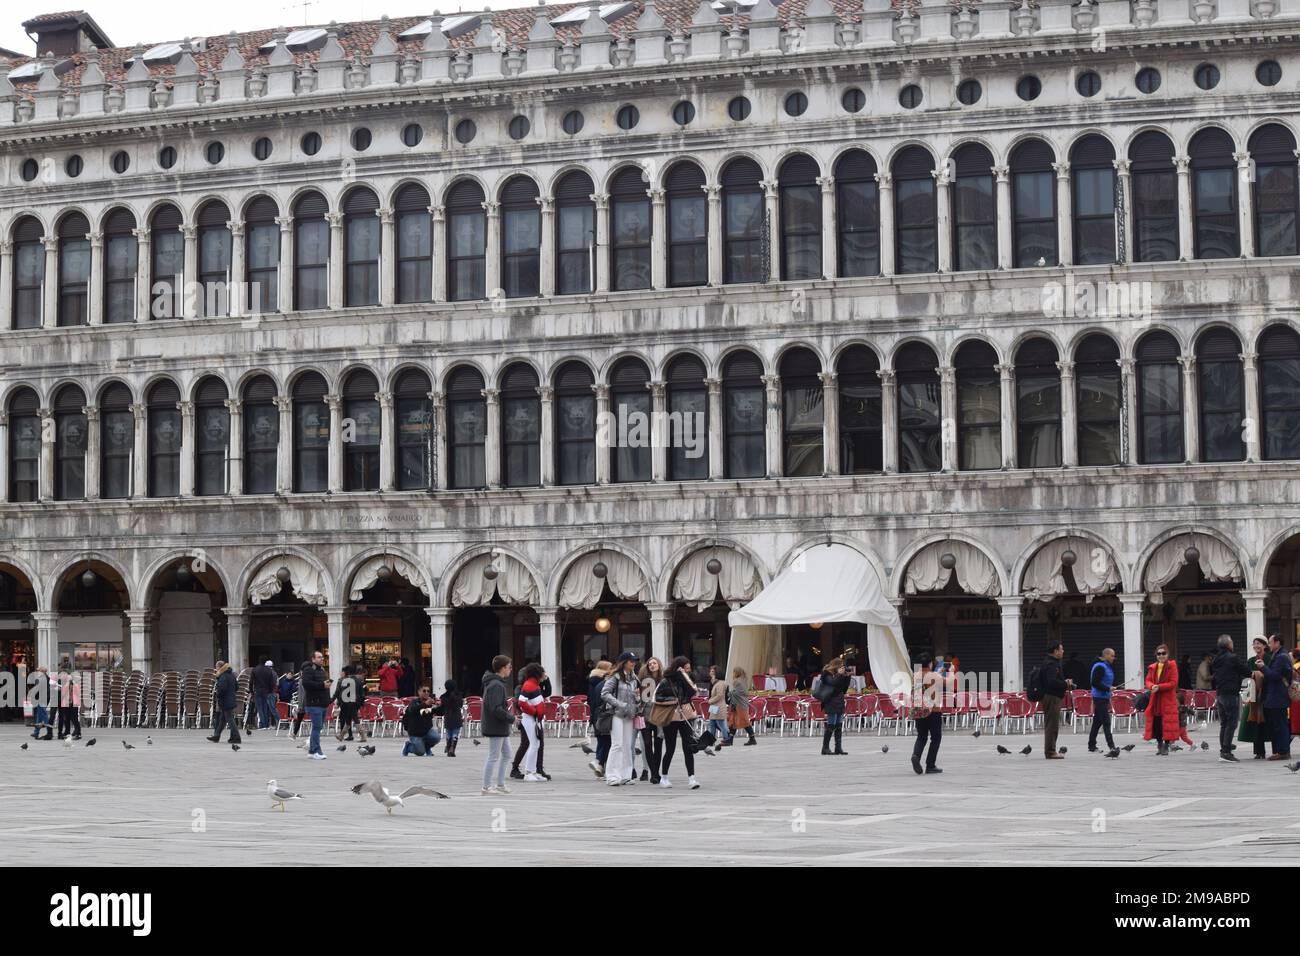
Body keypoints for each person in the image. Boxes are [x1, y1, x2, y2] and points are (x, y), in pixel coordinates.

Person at [656, 656, 701, 790]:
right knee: (670, 748)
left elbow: (693, 691)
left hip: (686, 715)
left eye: (688, 669)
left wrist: (684, 676)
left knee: (688, 746)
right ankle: (664, 777)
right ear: (678, 667)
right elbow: (657, 697)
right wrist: (672, 700)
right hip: (671, 716)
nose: (688, 671)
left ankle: (691, 778)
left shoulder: (687, 679)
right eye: (685, 668)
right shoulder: (666, 681)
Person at [602, 651, 641, 786]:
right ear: (624, 662)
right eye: (631, 661)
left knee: (627, 746)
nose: (633, 663)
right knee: (617, 744)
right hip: (616, 714)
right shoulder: (615, 677)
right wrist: (620, 704)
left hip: (629, 715)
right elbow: (605, 693)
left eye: (634, 661)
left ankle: (626, 775)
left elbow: (636, 698)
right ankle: (612, 776)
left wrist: (637, 698)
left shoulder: (634, 678)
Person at [1210, 634, 1252, 761]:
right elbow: (1246, 671)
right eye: (1232, 642)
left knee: (1224, 723)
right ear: (1228, 645)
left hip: (1220, 693)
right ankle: (1226, 752)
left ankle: (1224, 747)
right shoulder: (1232, 658)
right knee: (1232, 723)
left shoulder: (1216, 659)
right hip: (1230, 694)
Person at [481, 655, 515, 795]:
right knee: (493, 756)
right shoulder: (496, 685)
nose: (510, 669)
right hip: (496, 725)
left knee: (507, 754)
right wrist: (511, 718)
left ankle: (500, 784)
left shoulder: (496, 683)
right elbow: (496, 708)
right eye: (509, 667)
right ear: (502, 668)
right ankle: (486, 786)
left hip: (498, 725)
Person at [510, 666, 551, 781]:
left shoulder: (534, 685)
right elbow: (522, 702)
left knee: (535, 744)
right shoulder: (529, 685)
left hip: (534, 718)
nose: (545, 674)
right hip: (530, 718)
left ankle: (533, 771)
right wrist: (534, 712)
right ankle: (529, 772)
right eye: (543, 672)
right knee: (533, 745)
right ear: (538, 673)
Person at [910, 652, 944, 774]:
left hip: (919, 710)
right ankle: (930, 765)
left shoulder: (915, 676)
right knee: (936, 738)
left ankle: (916, 756)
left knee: (921, 736)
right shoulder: (934, 675)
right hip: (933, 710)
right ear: (930, 663)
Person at [1143, 644, 1179, 755]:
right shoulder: (1153, 667)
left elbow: (1173, 683)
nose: (1161, 656)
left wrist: (1159, 687)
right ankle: (1159, 744)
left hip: (1167, 700)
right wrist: (1151, 686)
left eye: (1163, 653)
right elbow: (1148, 680)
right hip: (1156, 699)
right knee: (1157, 722)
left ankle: (1166, 745)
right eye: (1159, 654)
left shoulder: (1172, 666)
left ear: (1167, 654)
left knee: (1167, 723)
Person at [1238, 637, 1271, 759]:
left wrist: (1260, 675)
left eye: (1258, 644)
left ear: (1264, 645)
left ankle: (1277, 750)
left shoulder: (1269, 659)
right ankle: (1259, 752)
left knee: (1268, 723)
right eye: (1254, 644)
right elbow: (1246, 677)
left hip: (1267, 695)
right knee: (1255, 723)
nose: (1256, 646)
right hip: (1253, 696)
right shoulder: (1251, 660)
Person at [1039, 641, 1072, 759]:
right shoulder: (1051, 664)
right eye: (1061, 649)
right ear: (1055, 651)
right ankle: (1050, 752)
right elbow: (1051, 682)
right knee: (1052, 725)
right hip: (1052, 697)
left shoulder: (1052, 662)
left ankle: (1050, 750)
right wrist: (1065, 683)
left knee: (1052, 724)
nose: (1063, 651)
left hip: (1053, 696)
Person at [1263, 634, 1293, 760]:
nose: (1269, 645)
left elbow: (1274, 675)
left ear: (1277, 642)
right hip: (1277, 695)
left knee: (1280, 724)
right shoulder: (1280, 655)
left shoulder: (1281, 657)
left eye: (1270, 642)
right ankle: (1282, 751)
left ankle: (1283, 751)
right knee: (1279, 724)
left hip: (1278, 695)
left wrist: (1262, 667)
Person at [637, 657, 665, 783]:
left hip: (659, 715)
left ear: (659, 665)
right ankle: (654, 773)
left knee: (658, 745)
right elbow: (641, 698)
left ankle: (655, 772)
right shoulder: (644, 680)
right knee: (647, 744)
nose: (652, 665)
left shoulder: (664, 680)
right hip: (645, 715)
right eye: (650, 664)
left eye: (654, 663)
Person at [1087, 647, 1118, 754]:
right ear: (1106, 656)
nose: (1114, 658)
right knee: (1106, 721)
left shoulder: (1106, 666)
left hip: (1104, 697)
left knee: (1097, 722)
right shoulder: (1100, 667)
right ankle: (1112, 747)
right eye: (1112, 656)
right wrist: (1108, 688)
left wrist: (1109, 688)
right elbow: (1094, 682)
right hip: (1099, 697)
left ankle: (1091, 745)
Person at [300, 651, 330, 760]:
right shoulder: (309, 670)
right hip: (314, 703)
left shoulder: (322, 670)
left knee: (318, 727)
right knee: (317, 727)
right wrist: (322, 685)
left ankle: (312, 751)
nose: (322, 659)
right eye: (319, 657)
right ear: (313, 659)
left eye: (322, 657)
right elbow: (306, 684)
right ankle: (317, 750)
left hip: (322, 703)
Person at [818, 657, 851, 756]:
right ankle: (825, 747)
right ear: (836, 666)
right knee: (831, 724)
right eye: (841, 666)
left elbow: (844, 689)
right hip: (831, 701)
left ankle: (838, 747)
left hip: (839, 700)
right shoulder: (826, 674)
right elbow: (833, 683)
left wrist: (847, 677)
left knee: (839, 725)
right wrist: (840, 675)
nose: (842, 668)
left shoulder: (838, 675)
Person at [587, 660, 613, 777]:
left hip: (594, 714)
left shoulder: (591, 681)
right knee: (607, 741)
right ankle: (599, 762)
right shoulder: (603, 683)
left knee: (601, 741)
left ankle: (600, 765)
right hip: (603, 715)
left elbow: (590, 700)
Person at [207, 660, 242, 745]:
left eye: (216, 667)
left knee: (229, 719)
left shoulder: (223, 676)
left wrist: (218, 694)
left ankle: (237, 737)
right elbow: (237, 687)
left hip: (225, 700)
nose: (216, 669)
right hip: (231, 699)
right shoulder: (231, 675)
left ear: (220, 667)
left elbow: (222, 689)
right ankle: (216, 736)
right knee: (222, 720)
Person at [401, 686, 442, 756]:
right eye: (424, 691)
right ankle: (408, 747)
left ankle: (427, 748)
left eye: (428, 691)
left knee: (436, 737)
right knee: (420, 752)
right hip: (415, 733)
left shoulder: (431, 703)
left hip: (427, 731)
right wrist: (425, 704)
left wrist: (440, 705)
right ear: (419, 692)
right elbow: (414, 710)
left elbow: (440, 713)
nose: (426, 693)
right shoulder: (414, 702)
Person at [332, 664, 368, 742]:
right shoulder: (359, 681)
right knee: (348, 720)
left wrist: (338, 702)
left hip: (348, 703)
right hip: (356, 703)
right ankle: (341, 736)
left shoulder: (345, 681)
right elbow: (362, 694)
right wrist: (361, 703)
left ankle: (363, 736)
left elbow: (341, 693)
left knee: (355, 719)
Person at [435, 679, 463, 756]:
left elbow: (442, 708)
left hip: (448, 716)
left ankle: (448, 746)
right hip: (456, 717)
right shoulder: (458, 695)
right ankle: (452, 749)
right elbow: (460, 705)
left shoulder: (443, 697)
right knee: (455, 733)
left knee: (448, 734)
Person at [706, 664, 732, 750]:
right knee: (712, 723)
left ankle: (727, 739)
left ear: (717, 673)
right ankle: (711, 740)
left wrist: (710, 701)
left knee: (721, 723)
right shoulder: (713, 682)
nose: (711, 673)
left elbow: (720, 695)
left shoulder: (720, 683)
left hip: (719, 706)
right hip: (714, 707)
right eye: (711, 671)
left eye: (713, 671)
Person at [729, 666, 756, 746]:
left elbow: (738, 693)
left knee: (744, 722)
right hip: (741, 704)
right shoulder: (743, 680)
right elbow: (743, 693)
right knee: (734, 721)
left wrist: (729, 693)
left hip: (739, 704)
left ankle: (752, 739)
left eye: (733, 672)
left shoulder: (737, 681)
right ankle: (730, 739)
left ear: (736, 673)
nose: (732, 674)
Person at [251, 658, 278, 730]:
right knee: (265, 707)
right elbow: (272, 682)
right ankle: (266, 723)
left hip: (258, 690)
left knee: (260, 708)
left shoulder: (255, 669)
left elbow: (251, 682)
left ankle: (263, 724)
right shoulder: (269, 671)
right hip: (266, 691)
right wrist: (270, 690)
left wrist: (251, 691)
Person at [57, 671, 82, 741]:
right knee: (67, 718)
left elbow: (76, 693)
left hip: (73, 703)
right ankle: (67, 732)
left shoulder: (75, 685)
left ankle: (78, 733)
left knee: (74, 719)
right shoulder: (65, 685)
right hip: (66, 703)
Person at [29, 666, 52, 740]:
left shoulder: (40, 679)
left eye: (38, 671)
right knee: (39, 716)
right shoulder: (47, 678)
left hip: (41, 699)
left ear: (42, 672)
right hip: (45, 698)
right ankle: (36, 732)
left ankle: (49, 732)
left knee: (44, 715)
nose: (37, 672)